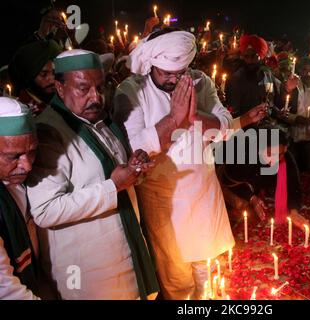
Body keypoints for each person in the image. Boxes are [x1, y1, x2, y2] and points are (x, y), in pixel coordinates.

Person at [26, 49, 159, 300]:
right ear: (59, 87)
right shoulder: (49, 133)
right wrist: (113, 187)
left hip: (124, 255)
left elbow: (111, 174)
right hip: (89, 274)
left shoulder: (99, 120)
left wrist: (134, 169)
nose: (95, 97)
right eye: (83, 88)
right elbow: (45, 210)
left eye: (100, 87)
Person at [114, 28, 235, 300]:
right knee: (175, 275)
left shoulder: (201, 82)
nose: (174, 79)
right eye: (166, 73)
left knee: (206, 270)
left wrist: (194, 118)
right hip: (162, 197)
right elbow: (134, 148)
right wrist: (173, 119)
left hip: (203, 190)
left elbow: (225, 127)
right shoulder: (131, 91)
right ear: (152, 64)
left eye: (181, 72)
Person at [0, 98, 40, 299]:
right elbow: (7, 291)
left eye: (31, 153)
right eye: (13, 157)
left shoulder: (18, 182)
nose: (27, 166)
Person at [226, 34, 282, 116]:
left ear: (261, 56)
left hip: (267, 123)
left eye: (253, 56)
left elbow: (270, 103)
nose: (249, 60)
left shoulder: (268, 76)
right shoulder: (237, 79)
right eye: (246, 56)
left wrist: (279, 113)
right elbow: (233, 111)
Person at [8, 40, 62, 116]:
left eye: (54, 72)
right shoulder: (25, 112)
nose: (52, 79)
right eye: (44, 74)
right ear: (29, 77)